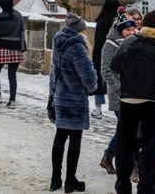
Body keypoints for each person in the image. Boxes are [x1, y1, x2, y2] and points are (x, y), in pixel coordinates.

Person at [111, 10, 155, 194]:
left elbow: (115, 65)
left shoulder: (130, 42)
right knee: (151, 147)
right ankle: (146, 188)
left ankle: (123, 185)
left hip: (128, 98)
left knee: (125, 144)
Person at [48, 14, 97, 193]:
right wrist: (95, 77)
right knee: (75, 139)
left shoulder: (58, 42)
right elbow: (89, 81)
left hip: (60, 97)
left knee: (60, 137)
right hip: (75, 100)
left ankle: (55, 179)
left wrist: (51, 96)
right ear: (81, 30)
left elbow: (53, 73)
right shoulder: (77, 47)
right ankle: (70, 180)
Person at [99, 7, 136, 175]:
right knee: (126, 129)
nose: (131, 31)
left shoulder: (133, 40)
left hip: (133, 93)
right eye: (128, 29)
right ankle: (111, 156)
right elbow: (105, 70)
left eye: (133, 28)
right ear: (121, 30)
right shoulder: (110, 44)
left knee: (128, 129)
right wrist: (119, 87)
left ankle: (109, 157)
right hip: (119, 94)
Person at [0, 0, 25, 107]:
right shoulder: (18, 16)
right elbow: (22, 32)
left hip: (2, 47)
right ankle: (12, 100)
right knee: (12, 75)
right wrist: (22, 47)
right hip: (16, 48)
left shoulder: (0, 16)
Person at [92, 0, 120, 117]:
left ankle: (98, 108)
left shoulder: (102, 19)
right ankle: (117, 106)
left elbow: (98, 40)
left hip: (103, 53)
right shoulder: (119, 20)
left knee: (100, 80)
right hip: (118, 53)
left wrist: (95, 56)